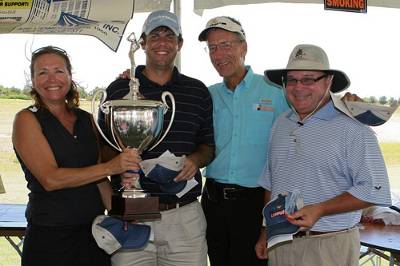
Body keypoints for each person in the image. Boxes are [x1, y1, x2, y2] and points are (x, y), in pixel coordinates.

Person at [255, 44, 392, 266]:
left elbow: (374, 189)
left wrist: (320, 209)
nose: (298, 87)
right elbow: (272, 181)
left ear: (328, 81)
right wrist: (266, 230)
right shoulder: (281, 122)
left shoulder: (353, 128)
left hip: (328, 245)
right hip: (280, 242)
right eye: (291, 79)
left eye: (308, 79)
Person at [99, 10, 214, 266]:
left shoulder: (197, 91)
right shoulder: (120, 89)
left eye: (169, 36)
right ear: (142, 43)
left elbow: (208, 145)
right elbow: (103, 147)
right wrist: (119, 163)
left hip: (183, 216)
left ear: (179, 44)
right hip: (131, 216)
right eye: (155, 36)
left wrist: (196, 160)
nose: (162, 42)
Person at [12, 46, 140, 266]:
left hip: (94, 234)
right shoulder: (26, 119)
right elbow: (51, 179)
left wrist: (121, 212)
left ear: (70, 76)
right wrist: (112, 167)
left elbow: (99, 179)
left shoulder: (85, 119)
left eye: (59, 71)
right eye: (42, 72)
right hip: (51, 238)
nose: (51, 78)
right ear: (33, 81)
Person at [197, 16, 289, 266]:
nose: (218, 54)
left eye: (225, 45)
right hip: (213, 203)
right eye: (212, 48)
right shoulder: (207, 94)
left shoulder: (276, 91)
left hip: (257, 203)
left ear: (244, 47)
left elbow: (310, 112)